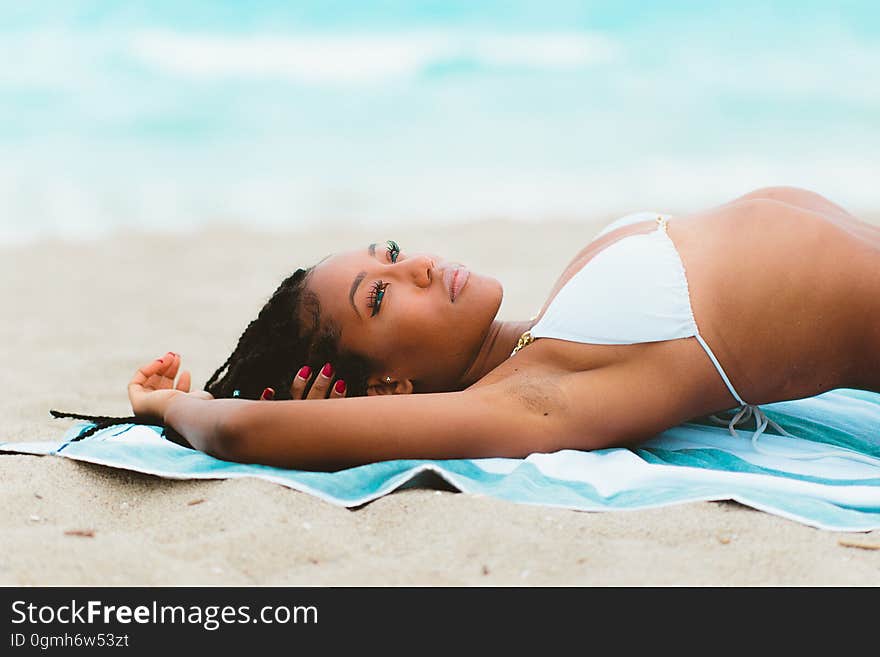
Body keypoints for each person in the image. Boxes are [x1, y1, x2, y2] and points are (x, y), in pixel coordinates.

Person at [56, 186, 880, 471]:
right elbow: (240, 427)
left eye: (391, 254)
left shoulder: (549, 329)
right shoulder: (539, 394)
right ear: (386, 389)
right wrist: (165, 407)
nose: (415, 267)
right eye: (378, 298)